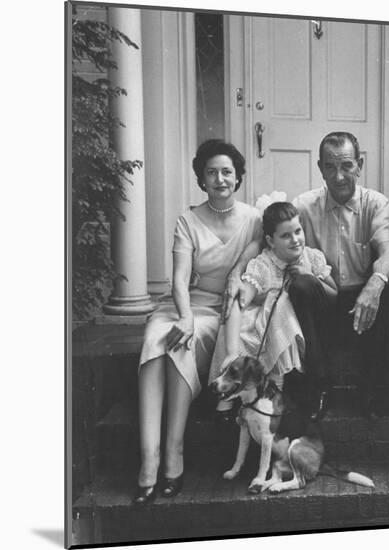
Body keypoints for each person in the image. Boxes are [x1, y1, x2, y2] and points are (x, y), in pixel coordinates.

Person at [134, 139, 262, 504]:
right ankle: (148, 461)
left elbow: (256, 254)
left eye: (226, 172)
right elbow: (178, 279)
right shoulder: (187, 220)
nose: (219, 179)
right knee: (157, 337)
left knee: (179, 346)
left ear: (237, 178)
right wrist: (185, 315)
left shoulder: (253, 218)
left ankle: (173, 457)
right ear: (201, 179)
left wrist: (237, 272)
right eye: (211, 172)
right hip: (188, 305)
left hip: (226, 311)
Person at [292, 131, 389, 418]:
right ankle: (317, 387)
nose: (338, 176)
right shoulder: (303, 205)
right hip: (323, 298)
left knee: (387, 286)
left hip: (361, 303)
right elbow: (272, 240)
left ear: (359, 165)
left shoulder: (375, 203)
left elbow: (387, 251)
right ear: (320, 168)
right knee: (299, 284)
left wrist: (375, 284)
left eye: (346, 165)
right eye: (330, 166)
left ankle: (373, 388)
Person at [209, 202, 337, 418]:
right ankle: (234, 398)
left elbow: (334, 294)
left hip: (310, 326)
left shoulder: (311, 257)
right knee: (264, 313)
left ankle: (289, 391)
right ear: (270, 241)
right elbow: (241, 300)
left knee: (285, 302)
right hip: (275, 325)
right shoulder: (265, 263)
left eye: (298, 231)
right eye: (286, 236)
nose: (295, 239)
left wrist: (310, 276)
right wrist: (231, 351)